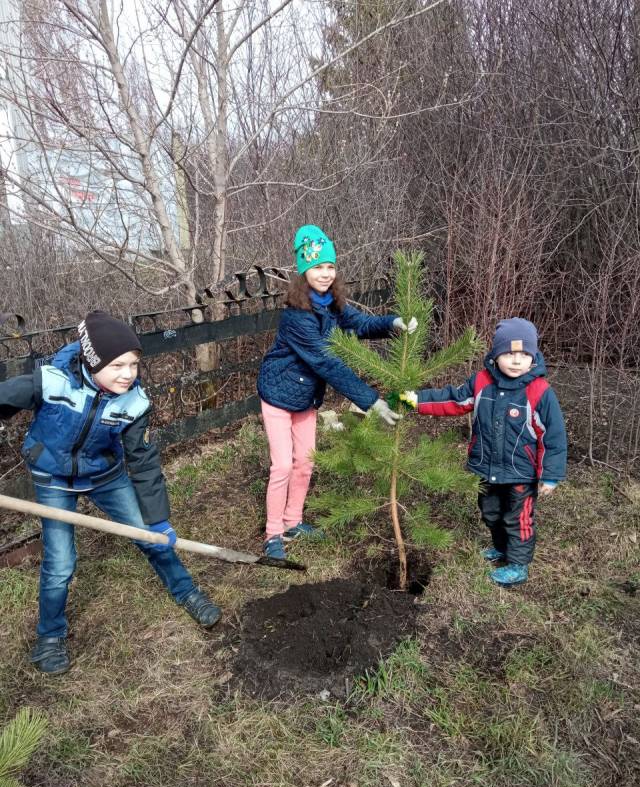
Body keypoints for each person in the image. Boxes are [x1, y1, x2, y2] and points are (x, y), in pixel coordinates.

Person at [0, 311, 221, 675]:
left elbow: (144, 462)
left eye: (134, 364)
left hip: (105, 474)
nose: (128, 374)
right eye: (117, 365)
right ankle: (50, 638)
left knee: (151, 537)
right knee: (60, 564)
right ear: (92, 360)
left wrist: (160, 520)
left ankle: (187, 592)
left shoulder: (132, 402)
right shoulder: (51, 382)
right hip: (53, 477)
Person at [257, 224, 417, 560]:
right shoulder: (296, 316)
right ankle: (273, 534)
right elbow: (326, 363)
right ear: (303, 272)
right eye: (317, 267)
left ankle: (293, 521)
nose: (325, 274)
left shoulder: (332, 304)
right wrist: (370, 400)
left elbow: (359, 324)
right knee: (283, 465)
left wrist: (392, 323)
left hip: (306, 398)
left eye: (330, 266)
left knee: (305, 463)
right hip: (278, 395)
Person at [401, 318, 567, 586]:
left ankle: (518, 564)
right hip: (486, 467)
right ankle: (501, 548)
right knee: (490, 512)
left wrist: (550, 475)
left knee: (518, 518)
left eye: (524, 354)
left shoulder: (539, 391)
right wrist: (417, 400)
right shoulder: (481, 382)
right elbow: (453, 399)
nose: (516, 361)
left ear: (533, 356)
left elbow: (554, 436)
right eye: (509, 354)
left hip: (520, 474)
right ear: (495, 355)